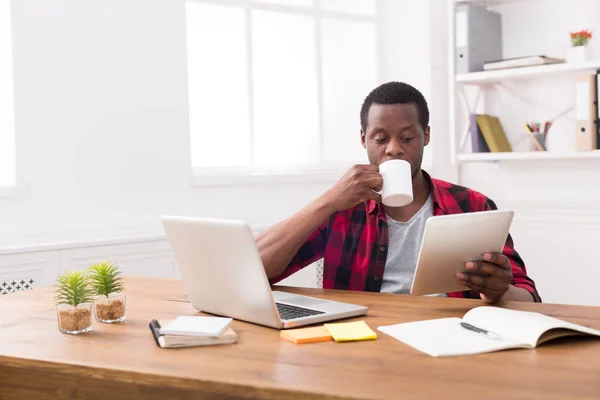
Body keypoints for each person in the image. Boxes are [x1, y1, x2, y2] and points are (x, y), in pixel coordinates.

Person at [256, 81, 541, 303]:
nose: (394, 148)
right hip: (365, 341)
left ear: (426, 136)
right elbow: (256, 269)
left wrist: (498, 292)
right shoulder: (342, 208)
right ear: (363, 139)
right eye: (380, 139)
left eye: (407, 137)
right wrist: (329, 200)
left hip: (452, 335)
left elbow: (528, 296)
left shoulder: (471, 204)